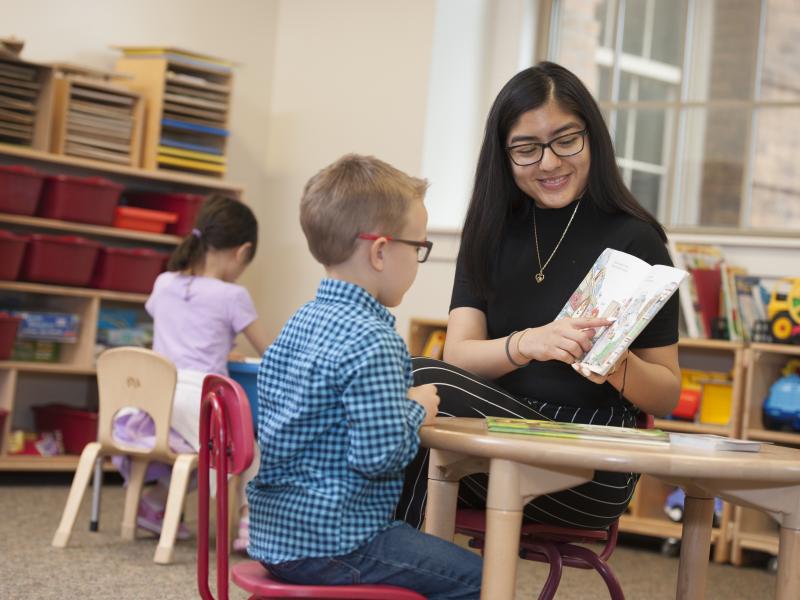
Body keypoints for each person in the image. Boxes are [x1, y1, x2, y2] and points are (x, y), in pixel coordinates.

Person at [396, 61, 681, 531]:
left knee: (417, 377)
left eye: (566, 140)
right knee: (402, 430)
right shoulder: (489, 233)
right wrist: (527, 343)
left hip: (590, 461)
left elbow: (667, 395)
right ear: (503, 156)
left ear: (592, 137)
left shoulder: (637, 240)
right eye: (527, 149)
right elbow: (461, 355)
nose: (549, 162)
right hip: (493, 439)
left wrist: (612, 361)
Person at [247, 155, 482, 600]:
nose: (418, 260)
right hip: (336, 541)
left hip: (274, 537)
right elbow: (379, 456)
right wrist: (416, 408)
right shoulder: (374, 340)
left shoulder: (300, 322)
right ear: (380, 251)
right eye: (418, 248)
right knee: (481, 578)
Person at [112, 194, 269, 543]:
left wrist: (223, 345)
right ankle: (248, 523)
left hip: (150, 405)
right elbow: (269, 351)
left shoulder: (164, 283)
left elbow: (180, 330)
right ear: (242, 252)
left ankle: (153, 504)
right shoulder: (233, 296)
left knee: (190, 448)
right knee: (251, 447)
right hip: (199, 405)